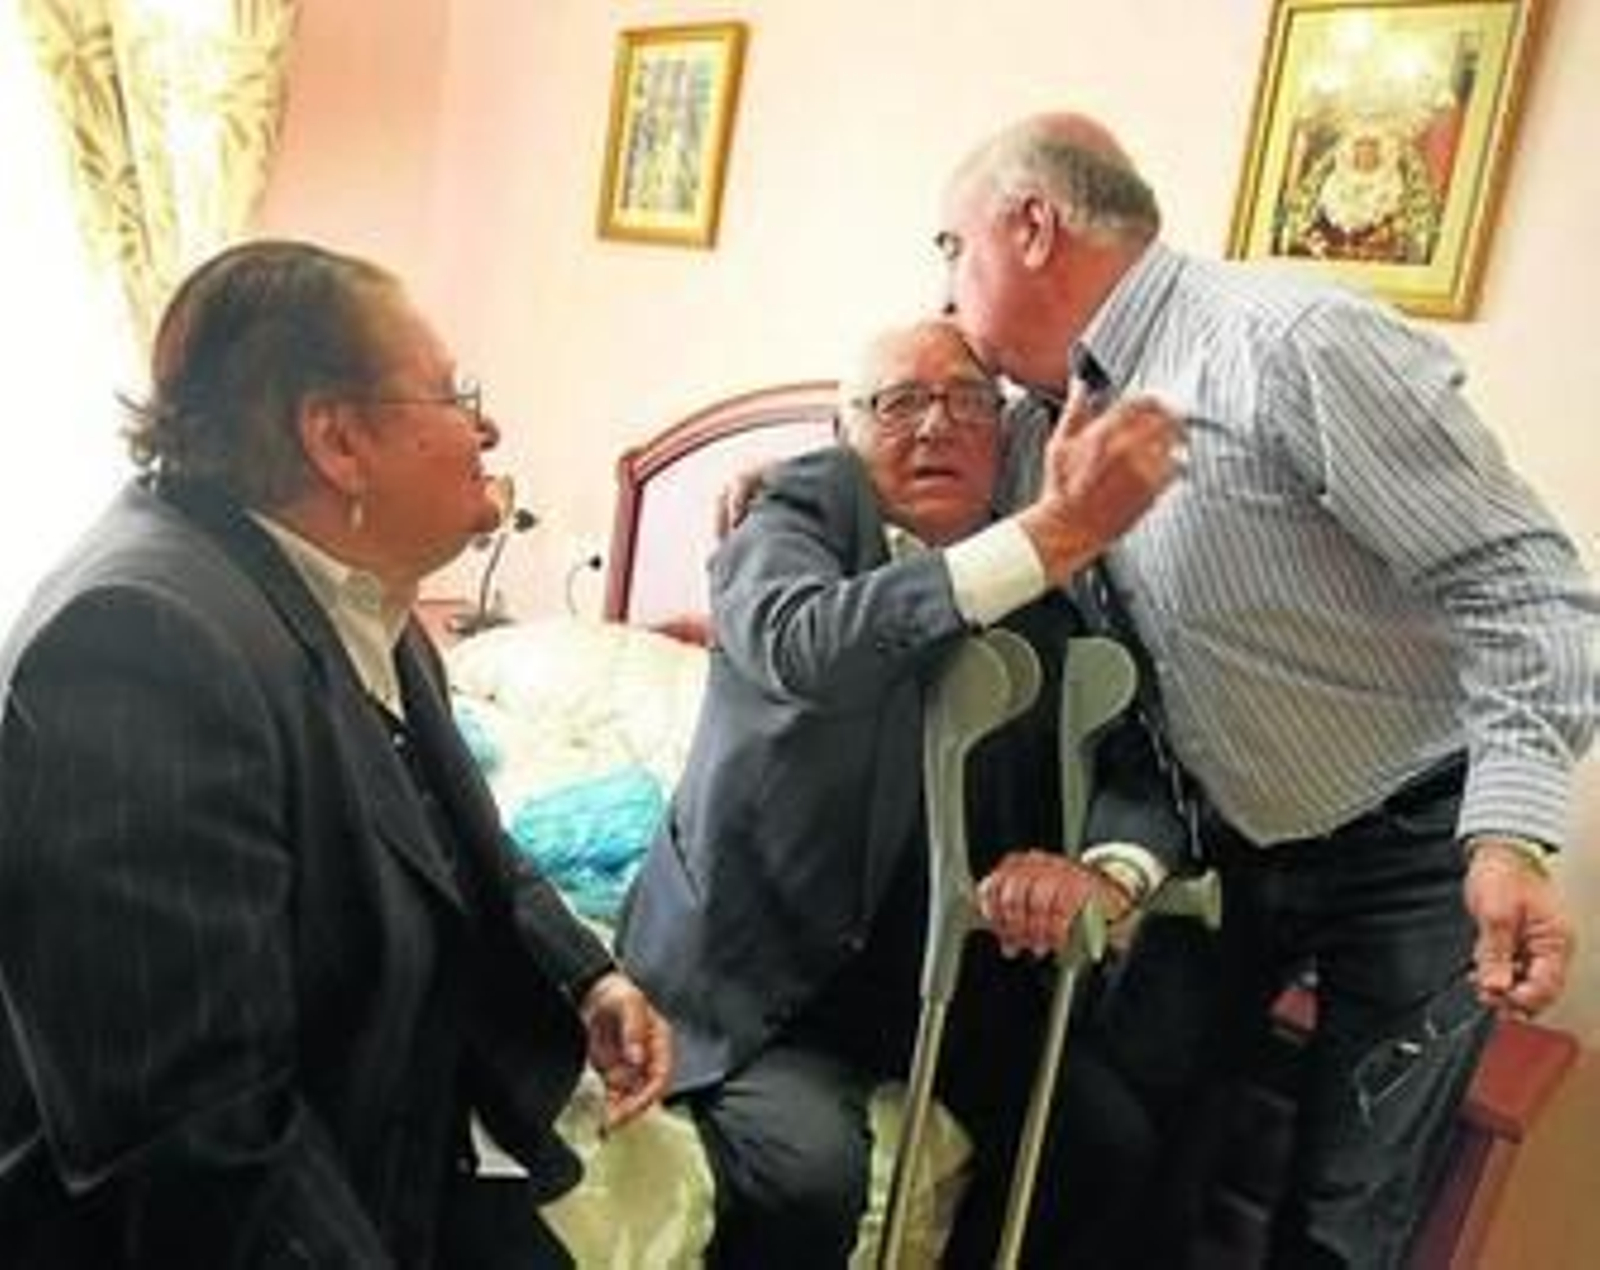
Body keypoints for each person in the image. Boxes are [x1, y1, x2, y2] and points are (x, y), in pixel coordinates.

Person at [936, 112, 1598, 1268]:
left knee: (1345, 1216)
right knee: (1116, 1137)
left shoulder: (1289, 345)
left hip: (1413, 838)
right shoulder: (1042, 418)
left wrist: (1510, 834)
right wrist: (813, 509)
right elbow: (943, 534)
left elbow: (1525, 584)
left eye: (951, 246)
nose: (946, 286)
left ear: (1031, 224)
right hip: (1221, 833)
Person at [0, 239, 673, 1269]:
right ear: (337, 440)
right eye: (455, 394)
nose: (487, 427)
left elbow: (458, 839)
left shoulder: (355, 595)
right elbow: (195, 1133)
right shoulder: (139, 644)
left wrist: (588, 979)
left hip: (400, 1141)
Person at [616, 316, 1186, 1268]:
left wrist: (1105, 872)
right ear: (843, 434)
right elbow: (807, 649)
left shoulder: (1055, 597)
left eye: (969, 400)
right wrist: (1051, 533)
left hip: (952, 979)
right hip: (765, 970)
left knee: (1101, 1144)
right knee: (810, 1175)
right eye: (899, 403)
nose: (938, 427)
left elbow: (1140, 767)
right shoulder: (795, 520)